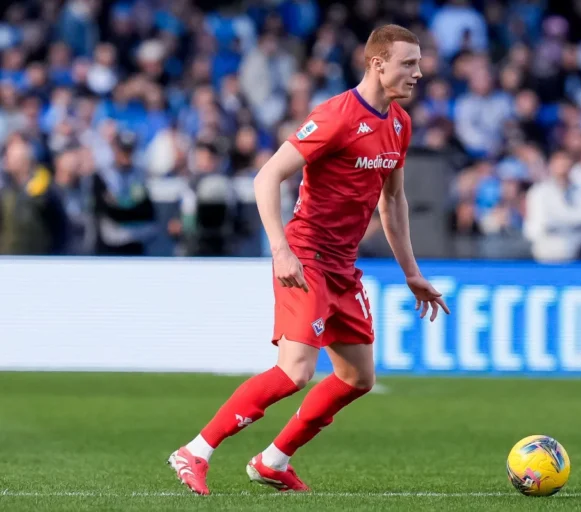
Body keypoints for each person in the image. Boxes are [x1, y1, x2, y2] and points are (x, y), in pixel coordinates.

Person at [168, 24, 450, 495]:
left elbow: (393, 203)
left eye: (419, 63)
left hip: (343, 266)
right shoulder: (336, 116)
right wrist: (280, 250)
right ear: (377, 64)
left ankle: (273, 460)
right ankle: (195, 450)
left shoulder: (399, 124)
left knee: (358, 377)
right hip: (306, 257)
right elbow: (267, 177)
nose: (418, 73)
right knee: (295, 370)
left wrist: (412, 273)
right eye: (409, 63)